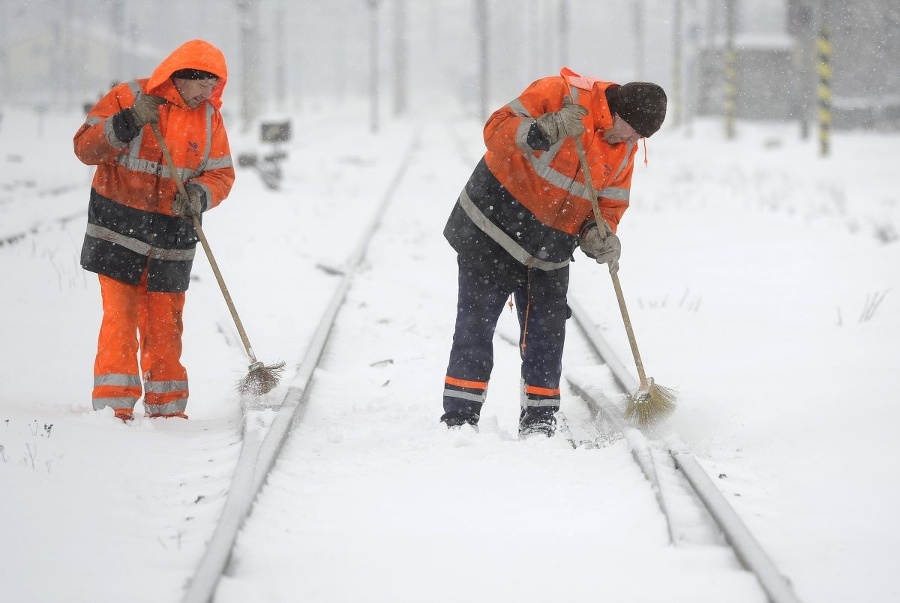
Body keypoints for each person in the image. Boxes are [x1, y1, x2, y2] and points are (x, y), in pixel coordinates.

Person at [440, 67, 667, 437]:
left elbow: (608, 204)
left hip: (548, 248)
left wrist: (599, 235)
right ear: (618, 111)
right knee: (475, 326)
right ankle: (460, 420)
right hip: (492, 229)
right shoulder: (562, 94)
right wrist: (545, 128)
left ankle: (540, 420)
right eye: (631, 130)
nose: (630, 140)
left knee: (547, 335)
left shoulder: (625, 149)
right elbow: (494, 131)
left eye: (640, 138)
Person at [73, 40, 235, 421]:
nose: (209, 94)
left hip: (172, 237)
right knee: (120, 318)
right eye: (204, 85)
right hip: (118, 229)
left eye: (214, 87)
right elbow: (85, 149)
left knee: (166, 324)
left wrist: (199, 193)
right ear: (183, 77)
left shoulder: (209, 117)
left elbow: (223, 173)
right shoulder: (129, 96)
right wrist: (129, 120)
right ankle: (114, 407)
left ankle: (168, 410)